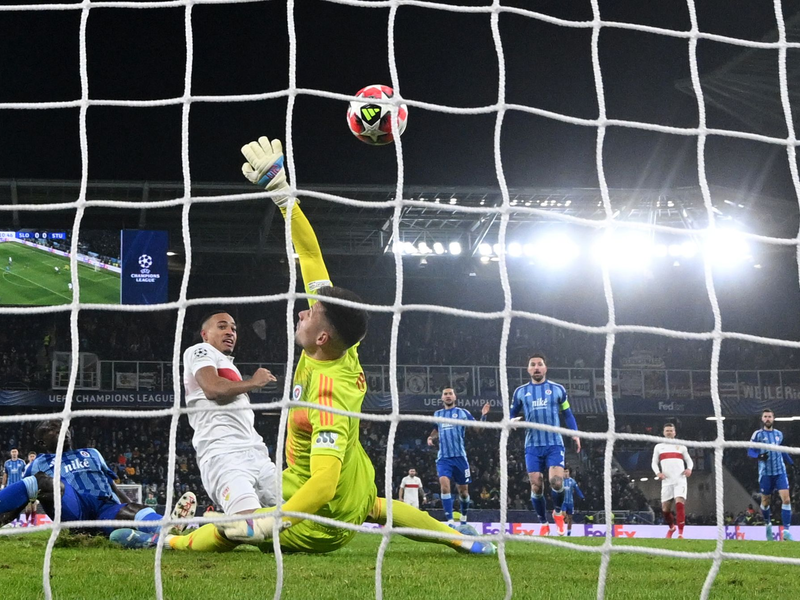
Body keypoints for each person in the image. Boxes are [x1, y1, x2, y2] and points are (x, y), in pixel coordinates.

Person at [114, 136, 494, 555]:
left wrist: (271, 524)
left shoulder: (329, 391)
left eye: (310, 315)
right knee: (380, 507)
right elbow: (311, 256)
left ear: (322, 336)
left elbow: (323, 484)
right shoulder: (340, 345)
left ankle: (172, 539)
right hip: (355, 482)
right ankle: (462, 540)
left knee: (242, 530)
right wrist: (281, 191)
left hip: (321, 520)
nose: (302, 313)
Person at [0, 421, 196, 539]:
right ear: (42, 442)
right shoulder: (39, 463)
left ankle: (167, 528)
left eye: (63, 426)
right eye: (52, 428)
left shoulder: (92, 453)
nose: (61, 430)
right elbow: (22, 498)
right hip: (74, 512)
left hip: (104, 509)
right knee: (42, 481)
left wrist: (132, 506)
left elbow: (112, 485)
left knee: (133, 509)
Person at [180, 310, 279, 519]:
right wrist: (253, 382)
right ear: (205, 334)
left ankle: (214, 521)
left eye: (233, 328)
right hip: (223, 453)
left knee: (296, 517)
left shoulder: (228, 365)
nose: (230, 332)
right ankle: (192, 531)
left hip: (256, 453)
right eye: (222, 326)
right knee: (249, 524)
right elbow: (213, 389)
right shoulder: (200, 350)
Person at [510, 353, 581, 536]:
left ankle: (557, 512)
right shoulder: (520, 392)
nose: (536, 367)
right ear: (528, 369)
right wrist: (512, 421)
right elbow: (511, 414)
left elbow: (568, 414)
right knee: (536, 486)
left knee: (557, 483)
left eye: (539, 364)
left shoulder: (557, 389)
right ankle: (543, 523)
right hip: (532, 445)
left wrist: (575, 433)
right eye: (532, 364)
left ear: (545, 368)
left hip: (554, 444)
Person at [427, 388, 490, 526]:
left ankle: (464, 518)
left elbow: (478, 429)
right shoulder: (438, 414)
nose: (448, 396)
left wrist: (483, 416)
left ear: (455, 397)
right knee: (444, 486)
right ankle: (449, 521)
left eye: (450, 394)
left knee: (463, 492)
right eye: (445, 394)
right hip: (444, 458)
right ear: (442, 398)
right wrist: (431, 437)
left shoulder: (462, 413)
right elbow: (436, 430)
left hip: (460, 458)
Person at [748, 408, 794, 541]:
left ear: (773, 419)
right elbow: (750, 451)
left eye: (770, 417)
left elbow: (781, 450)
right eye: (765, 417)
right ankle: (768, 524)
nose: (768, 419)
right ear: (762, 419)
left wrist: (791, 463)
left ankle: (786, 531)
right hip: (765, 474)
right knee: (766, 502)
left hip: (780, 472)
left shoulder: (779, 434)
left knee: (786, 499)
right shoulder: (757, 434)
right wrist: (759, 455)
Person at [651, 423, 693, 539]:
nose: (669, 432)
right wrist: (658, 473)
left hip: (680, 480)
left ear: (675, 432)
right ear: (663, 432)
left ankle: (680, 533)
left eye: (671, 430)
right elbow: (654, 463)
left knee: (679, 504)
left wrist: (689, 469)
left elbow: (689, 461)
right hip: (666, 481)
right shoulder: (659, 447)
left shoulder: (681, 446)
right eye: (667, 430)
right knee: (665, 509)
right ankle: (672, 527)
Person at [562, 467, 584, 536]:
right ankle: (563, 525)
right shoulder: (561, 481)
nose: (565, 473)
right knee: (564, 514)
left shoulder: (572, 481)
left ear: (569, 472)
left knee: (570, 519)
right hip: (563, 502)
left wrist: (582, 496)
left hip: (570, 503)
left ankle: (569, 533)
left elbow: (577, 490)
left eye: (566, 471)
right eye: (564, 471)